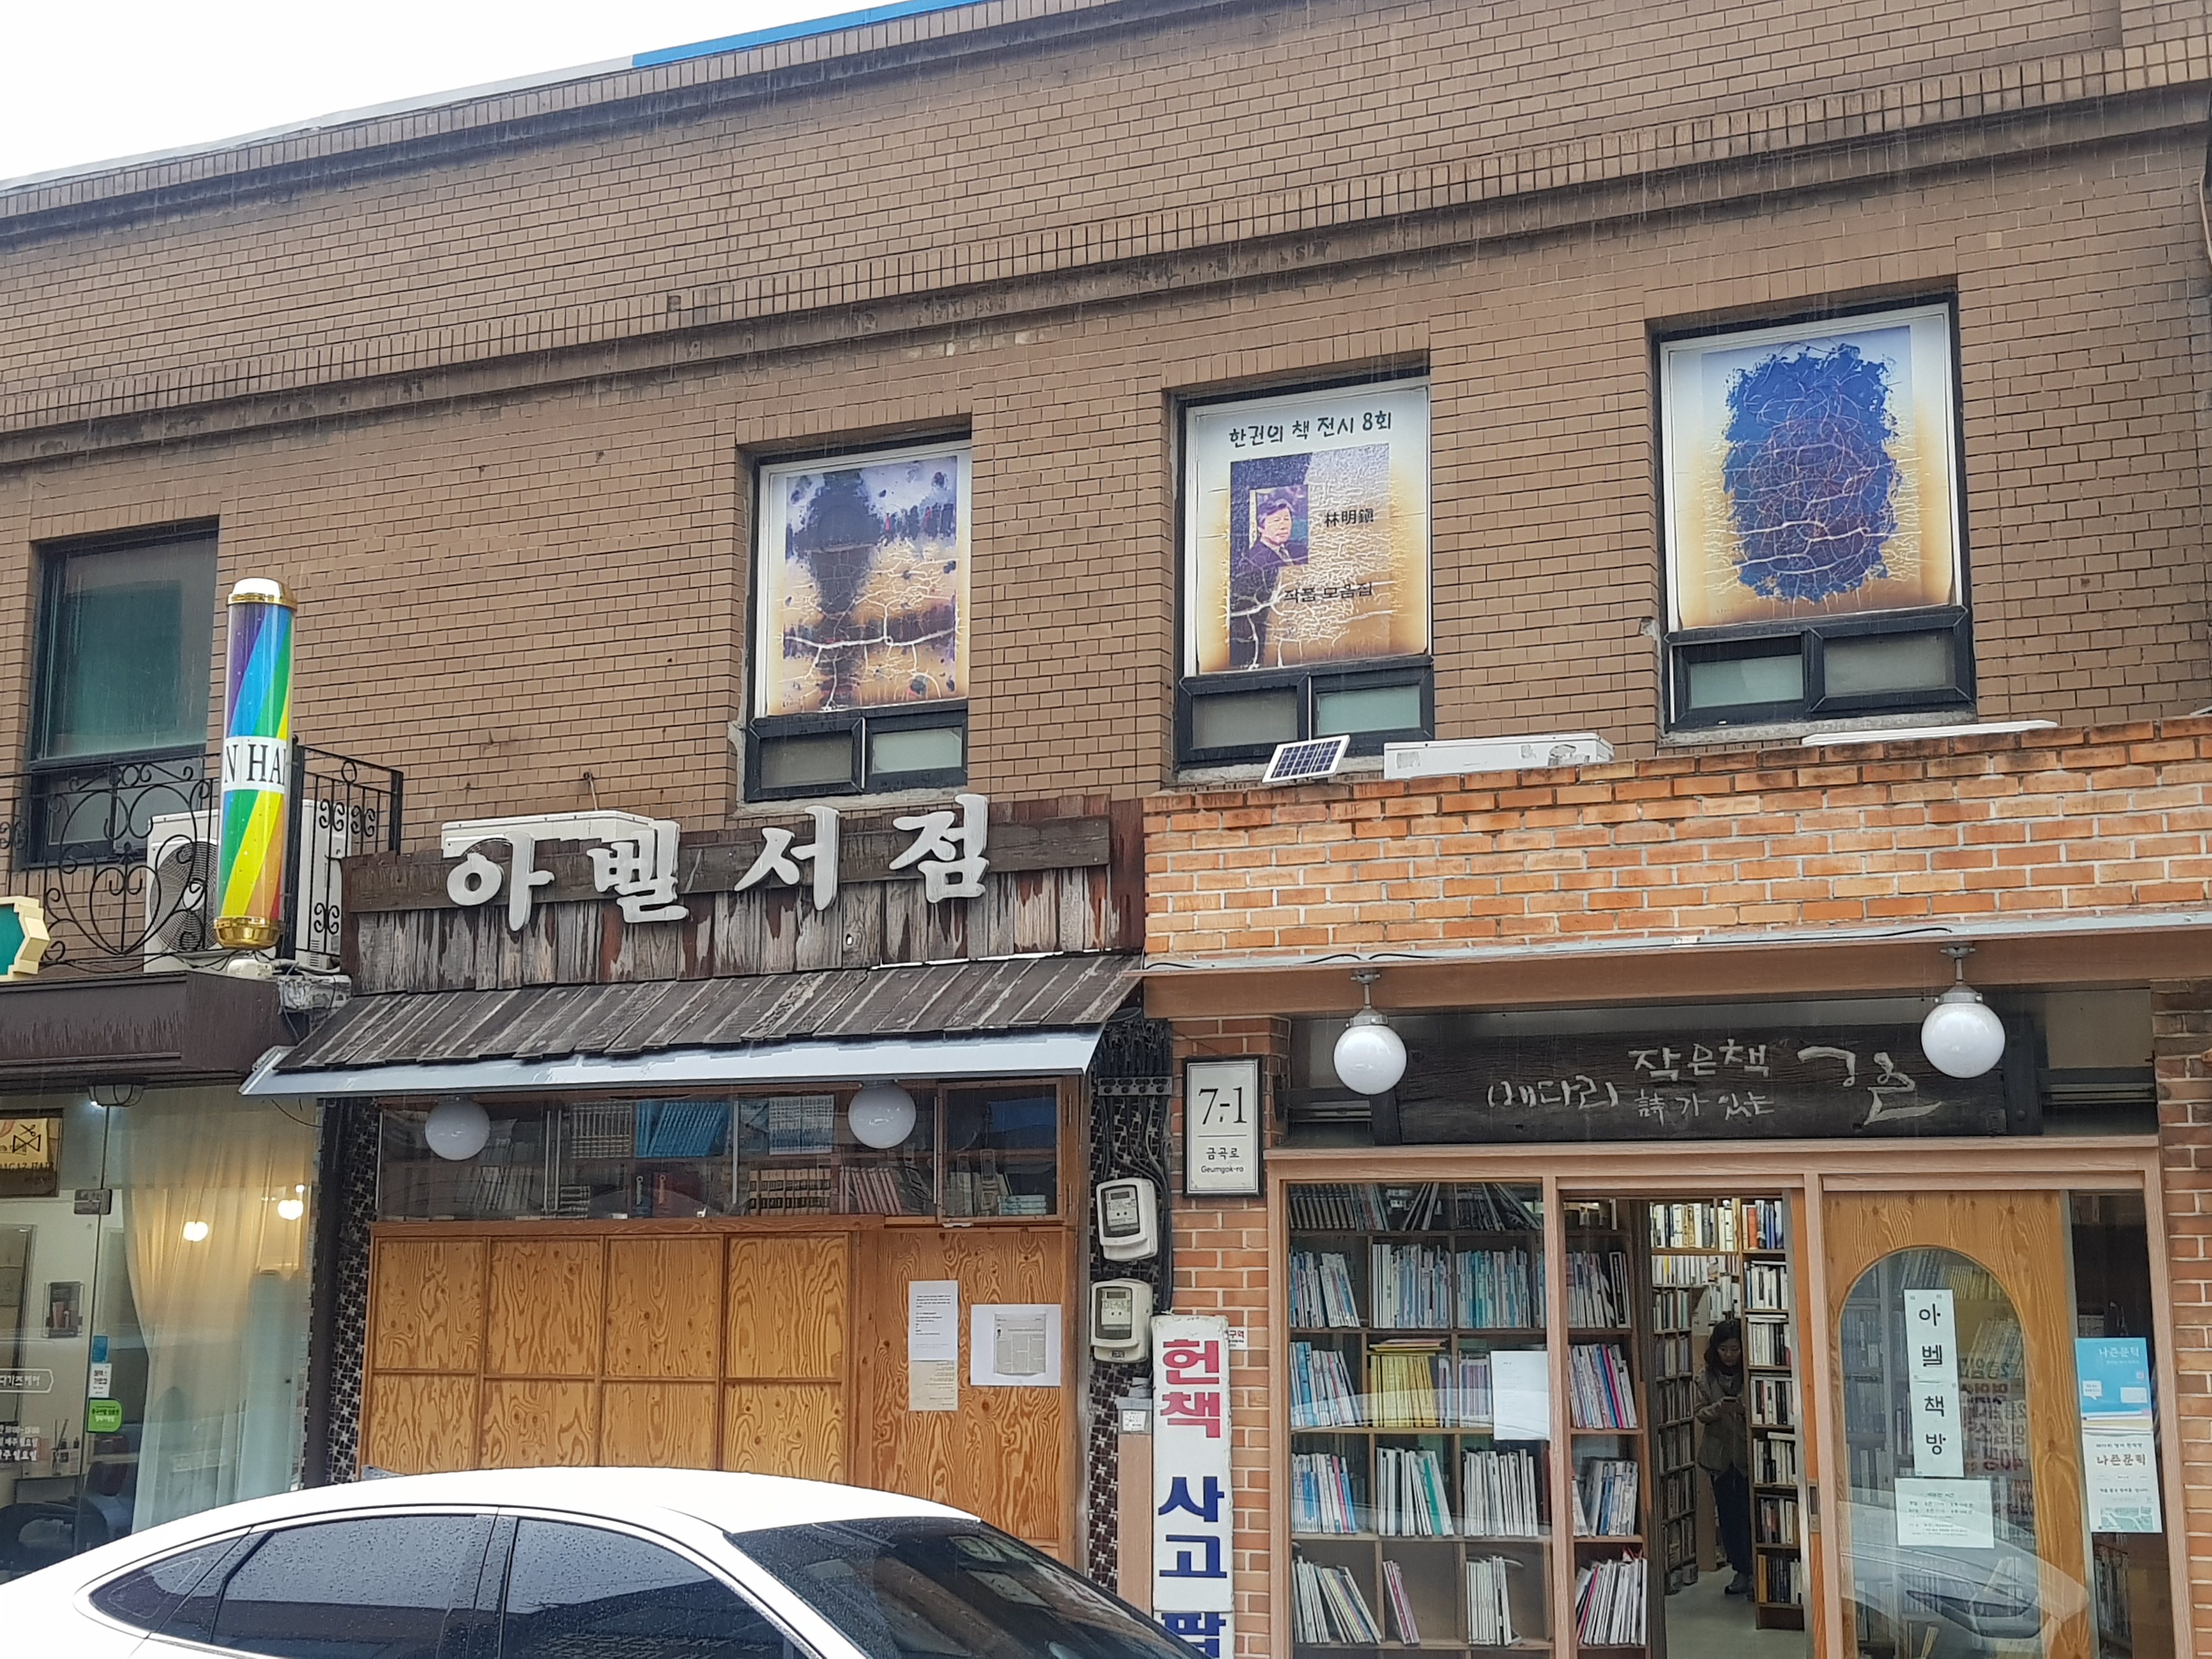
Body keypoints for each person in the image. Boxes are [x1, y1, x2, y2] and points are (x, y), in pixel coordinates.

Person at [1695, 1316, 1754, 1597]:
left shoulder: (1752, 1373)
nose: (1729, 1355)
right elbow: (1699, 1413)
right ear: (1715, 1349)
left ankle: (1757, 1572)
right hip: (1719, 1458)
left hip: (1749, 1455)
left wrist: (1745, 1410)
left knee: (1752, 1516)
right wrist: (1718, 1409)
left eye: (1735, 1349)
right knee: (1729, 1518)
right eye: (1724, 1350)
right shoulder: (1706, 1377)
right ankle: (1740, 1570)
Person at [1227, 491, 1306, 668]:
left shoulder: (1297, 550)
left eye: (1286, 519)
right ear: (1261, 527)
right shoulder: (1254, 561)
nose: (1283, 526)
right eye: (1276, 521)